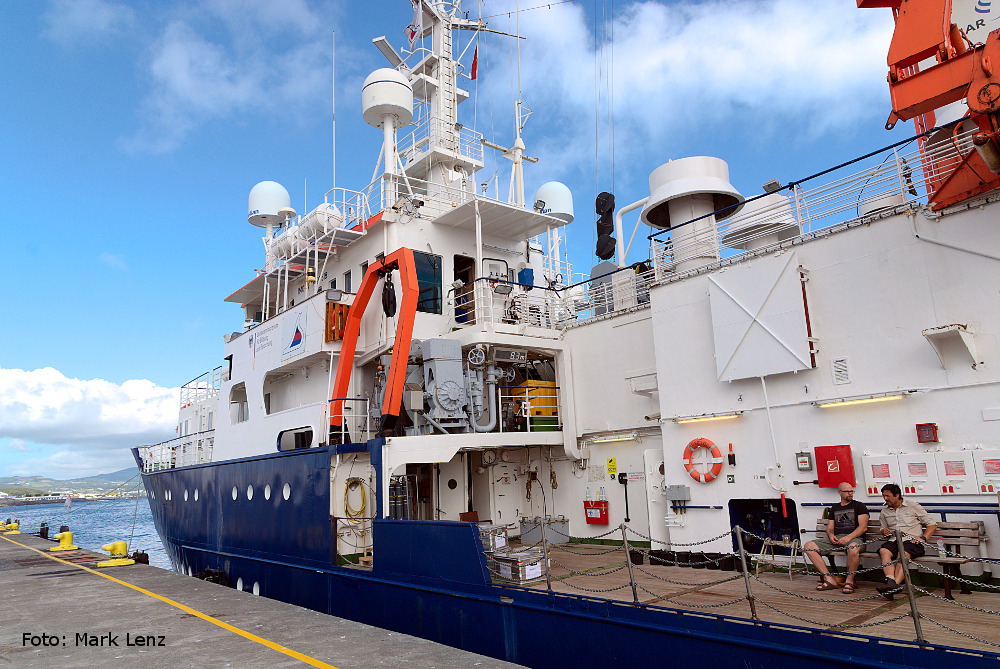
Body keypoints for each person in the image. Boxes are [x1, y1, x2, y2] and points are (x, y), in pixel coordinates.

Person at [803, 482, 869, 594]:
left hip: (855, 538)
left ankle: (849, 582)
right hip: (837, 538)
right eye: (847, 491)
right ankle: (829, 580)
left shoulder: (859, 506)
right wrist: (831, 535)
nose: (850, 493)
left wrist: (848, 538)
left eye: (851, 491)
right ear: (839, 492)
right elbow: (830, 528)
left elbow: (863, 528)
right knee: (809, 546)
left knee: (853, 548)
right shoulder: (834, 508)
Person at [876, 483, 937, 599]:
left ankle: (893, 586)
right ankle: (891, 581)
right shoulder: (884, 511)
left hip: (912, 541)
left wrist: (923, 538)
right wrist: (884, 531)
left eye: (888, 496)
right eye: (884, 496)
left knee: (902, 554)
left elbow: (932, 524)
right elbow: (882, 528)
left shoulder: (913, 506)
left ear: (897, 495)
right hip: (894, 539)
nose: (885, 499)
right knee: (883, 550)